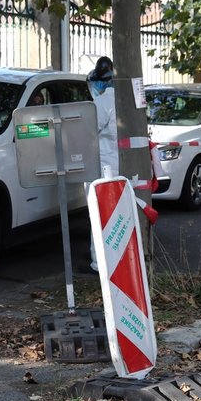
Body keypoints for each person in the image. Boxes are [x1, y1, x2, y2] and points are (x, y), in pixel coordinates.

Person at [87, 56, 117, 273]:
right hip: (119, 165)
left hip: (103, 166)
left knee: (99, 214)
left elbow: (90, 130)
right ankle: (115, 258)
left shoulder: (102, 102)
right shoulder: (123, 98)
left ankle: (99, 263)